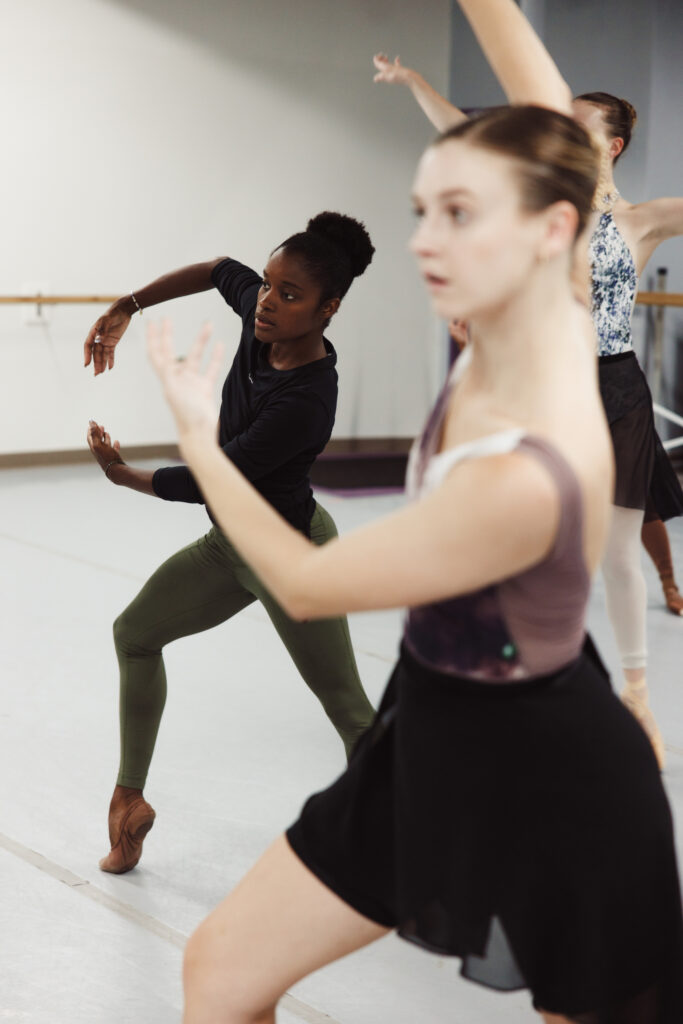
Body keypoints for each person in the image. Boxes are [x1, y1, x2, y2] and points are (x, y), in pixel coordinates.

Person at [148, 106, 682, 1024]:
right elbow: (548, 123)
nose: (426, 240)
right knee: (221, 974)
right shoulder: (489, 343)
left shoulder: (532, 446)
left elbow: (309, 585)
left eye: (460, 215)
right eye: (423, 211)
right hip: (429, 733)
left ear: (553, 232)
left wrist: (200, 432)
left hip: (554, 774)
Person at [374, 10, 683, 771]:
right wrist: (415, 82)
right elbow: (462, 130)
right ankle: (516, 689)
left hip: (612, 387)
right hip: (539, 381)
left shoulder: (639, 221)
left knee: (612, 554)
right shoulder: (543, 202)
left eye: (577, 121)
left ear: (610, 143)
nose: (558, 123)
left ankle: (635, 695)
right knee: (529, 549)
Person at [84, 212, 377, 874]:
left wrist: (123, 475)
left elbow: (221, 477)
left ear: (328, 309)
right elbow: (217, 270)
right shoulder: (263, 315)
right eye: (269, 285)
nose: (268, 301)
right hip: (229, 549)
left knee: (350, 713)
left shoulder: (309, 395)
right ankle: (127, 804)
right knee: (134, 633)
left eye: (289, 294)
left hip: (289, 560)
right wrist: (126, 306)